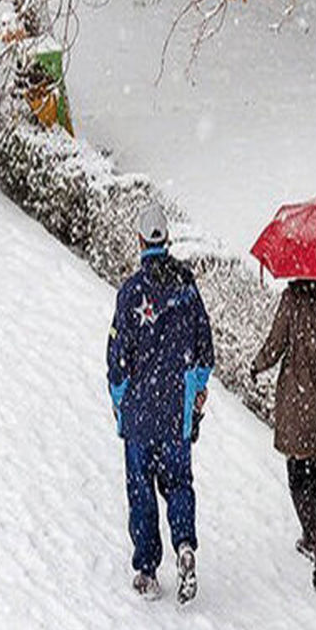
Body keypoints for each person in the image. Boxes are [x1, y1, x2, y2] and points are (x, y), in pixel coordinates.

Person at [107, 205, 215, 604]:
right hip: (175, 413)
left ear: (140, 242)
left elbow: (117, 359)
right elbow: (205, 352)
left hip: (139, 413)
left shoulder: (130, 293)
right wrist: (195, 394)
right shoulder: (187, 289)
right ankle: (185, 544)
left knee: (142, 490)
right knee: (179, 483)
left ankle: (147, 571)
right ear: (167, 240)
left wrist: (120, 404)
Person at [250, 277, 316, 590]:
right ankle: (312, 534)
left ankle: (315, 538)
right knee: (314, 465)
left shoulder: (292, 299)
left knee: (297, 466)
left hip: (296, 392)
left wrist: (256, 365)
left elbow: (276, 344)